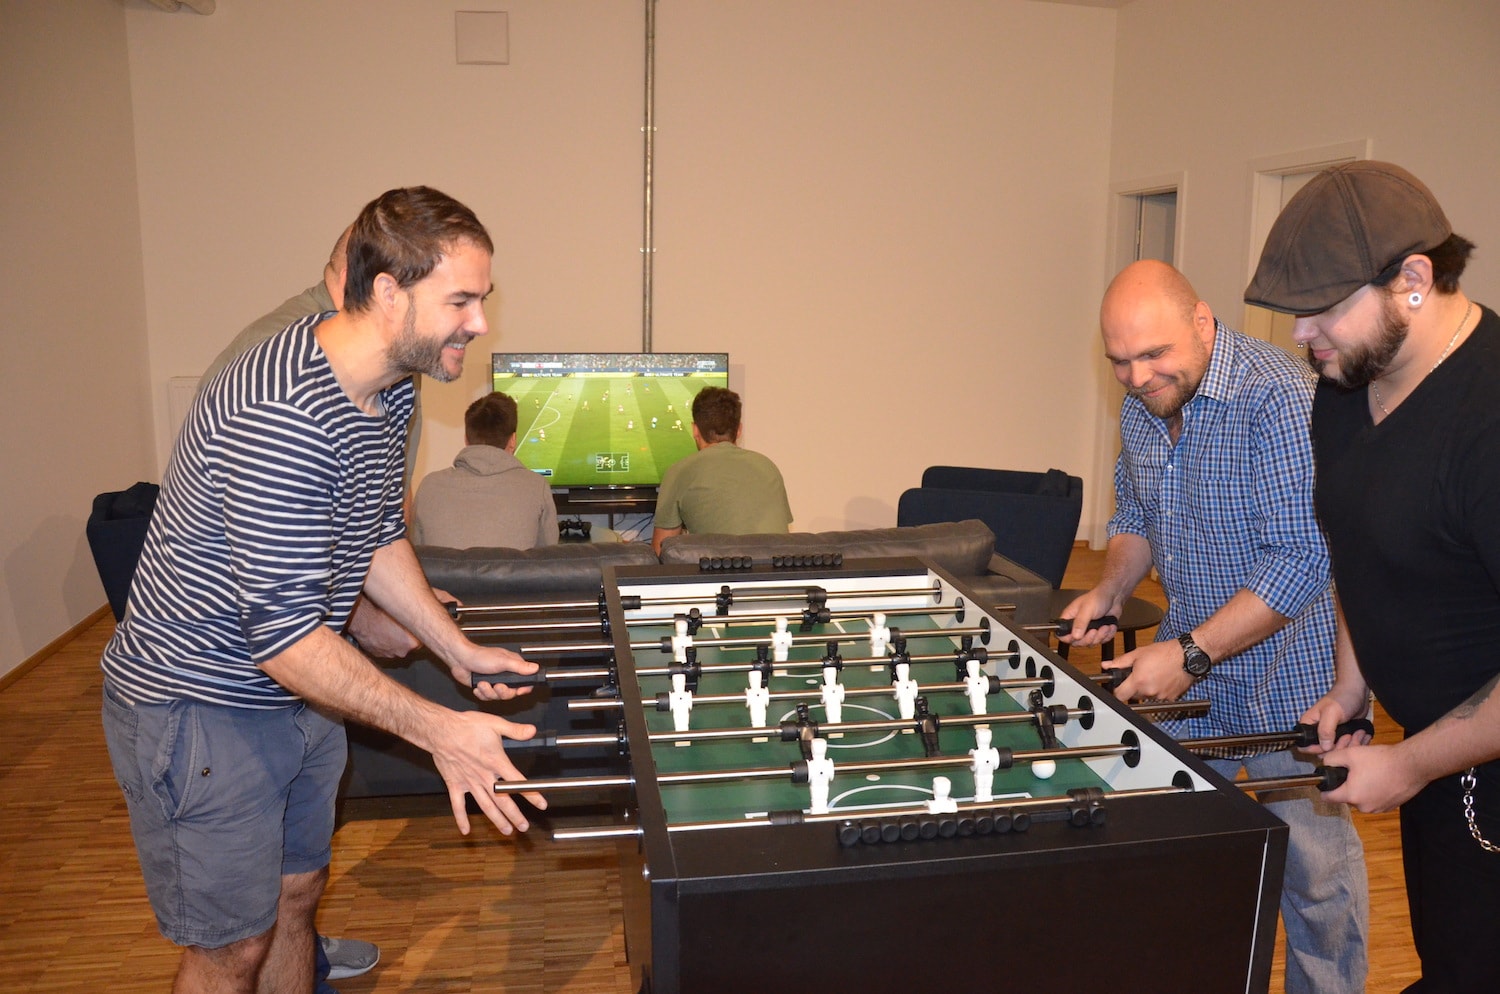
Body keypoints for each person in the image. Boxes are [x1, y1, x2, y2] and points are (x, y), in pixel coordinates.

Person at [100, 186, 546, 994]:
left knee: (298, 896)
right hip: (201, 707)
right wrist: (441, 731)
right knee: (232, 948)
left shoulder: (389, 385)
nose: (480, 323)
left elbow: (376, 535)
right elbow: (283, 641)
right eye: (461, 301)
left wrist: (455, 650)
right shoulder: (280, 410)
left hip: (297, 697)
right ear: (388, 292)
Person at [1060, 259, 1368, 994]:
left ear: (1202, 322)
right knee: (1183, 871)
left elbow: (1303, 558)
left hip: (1293, 690)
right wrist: (1111, 588)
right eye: (1120, 360)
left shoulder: (1279, 397)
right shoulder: (1143, 402)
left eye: (1152, 353)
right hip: (1193, 682)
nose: (1136, 376)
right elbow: (1135, 517)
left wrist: (1190, 655)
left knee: (1317, 887)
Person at [1246, 160, 1500, 993]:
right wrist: (1350, 688)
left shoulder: (1487, 419)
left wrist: (1415, 762)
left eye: (1322, 309)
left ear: (1414, 280)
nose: (1301, 334)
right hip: (1437, 759)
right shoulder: (1344, 387)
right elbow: (1358, 548)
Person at [650, 386, 792, 554]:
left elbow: (661, 552)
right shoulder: (768, 466)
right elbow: (783, 538)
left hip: (722, 569)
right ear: (739, 430)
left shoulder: (679, 472)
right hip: (773, 569)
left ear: (695, 430)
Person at [411, 391, 559, 549]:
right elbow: (548, 557)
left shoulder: (429, 487)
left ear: (466, 439)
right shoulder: (536, 487)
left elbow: (414, 552)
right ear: (513, 440)